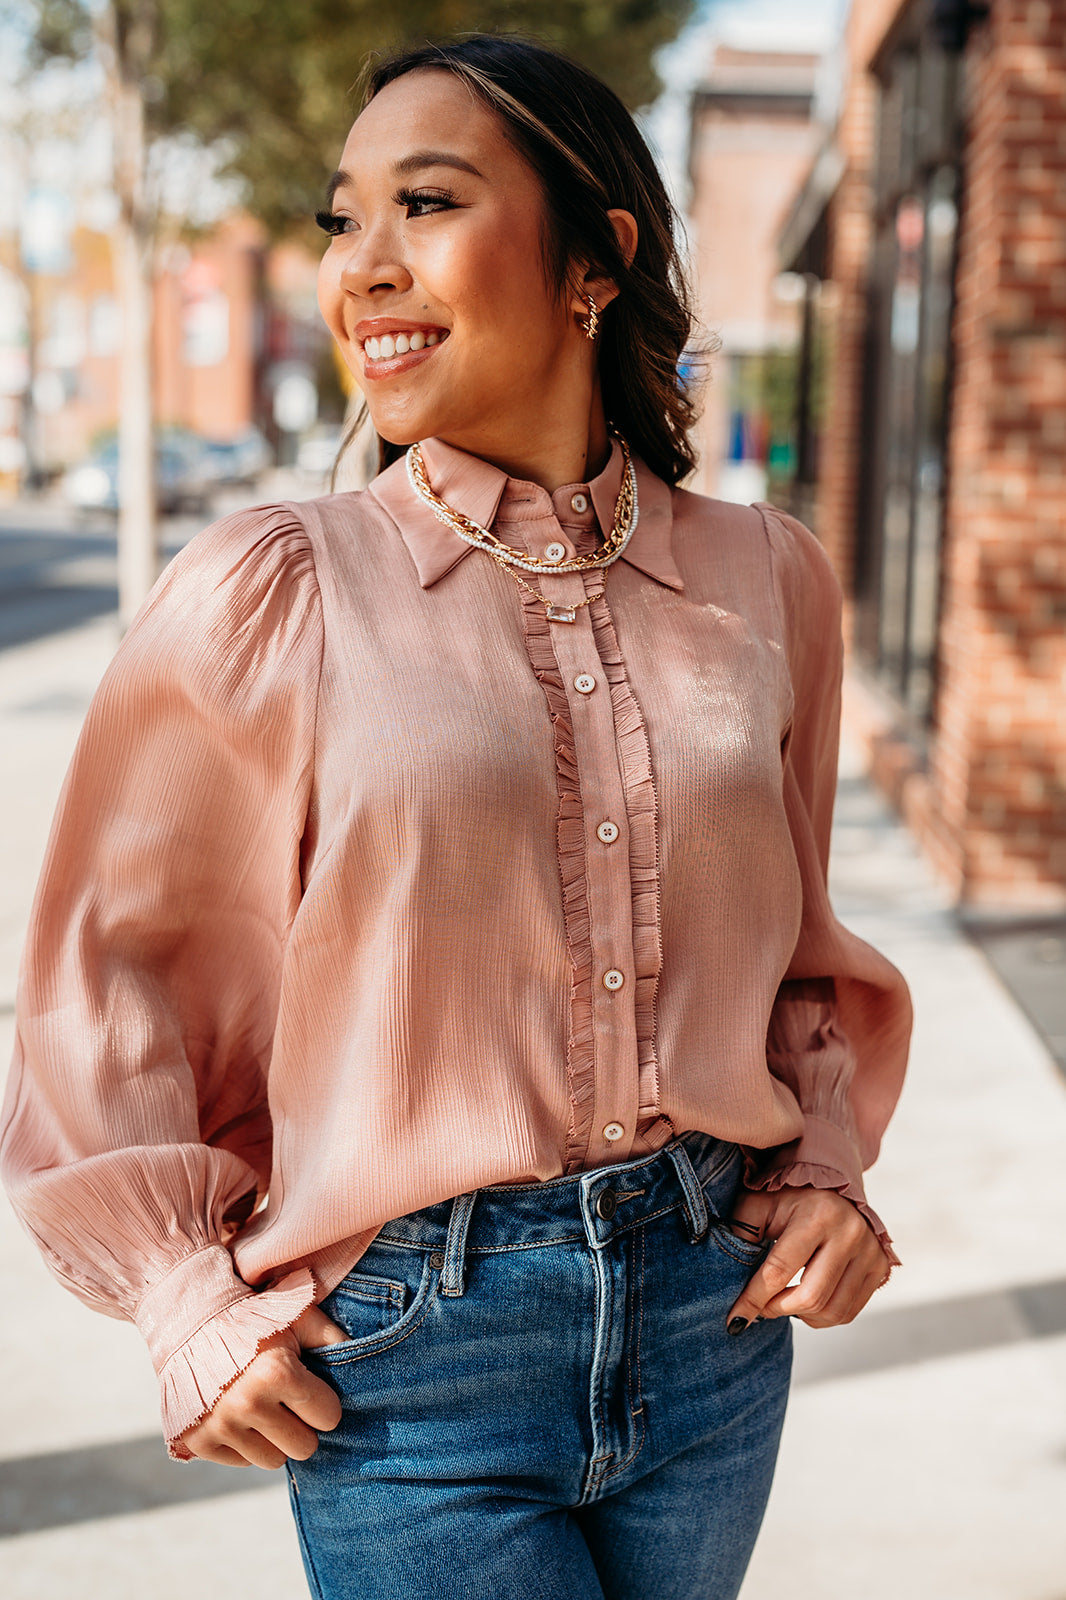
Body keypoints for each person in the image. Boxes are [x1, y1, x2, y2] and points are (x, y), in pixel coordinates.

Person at [1, 34, 912, 1600]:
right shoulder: (271, 589)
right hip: (413, 1362)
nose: (363, 268)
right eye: (339, 220)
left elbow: (795, 947)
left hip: (718, 1320)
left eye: (423, 203)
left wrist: (823, 1168)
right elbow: (108, 978)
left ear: (593, 261)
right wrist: (179, 1296)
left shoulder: (773, 581)